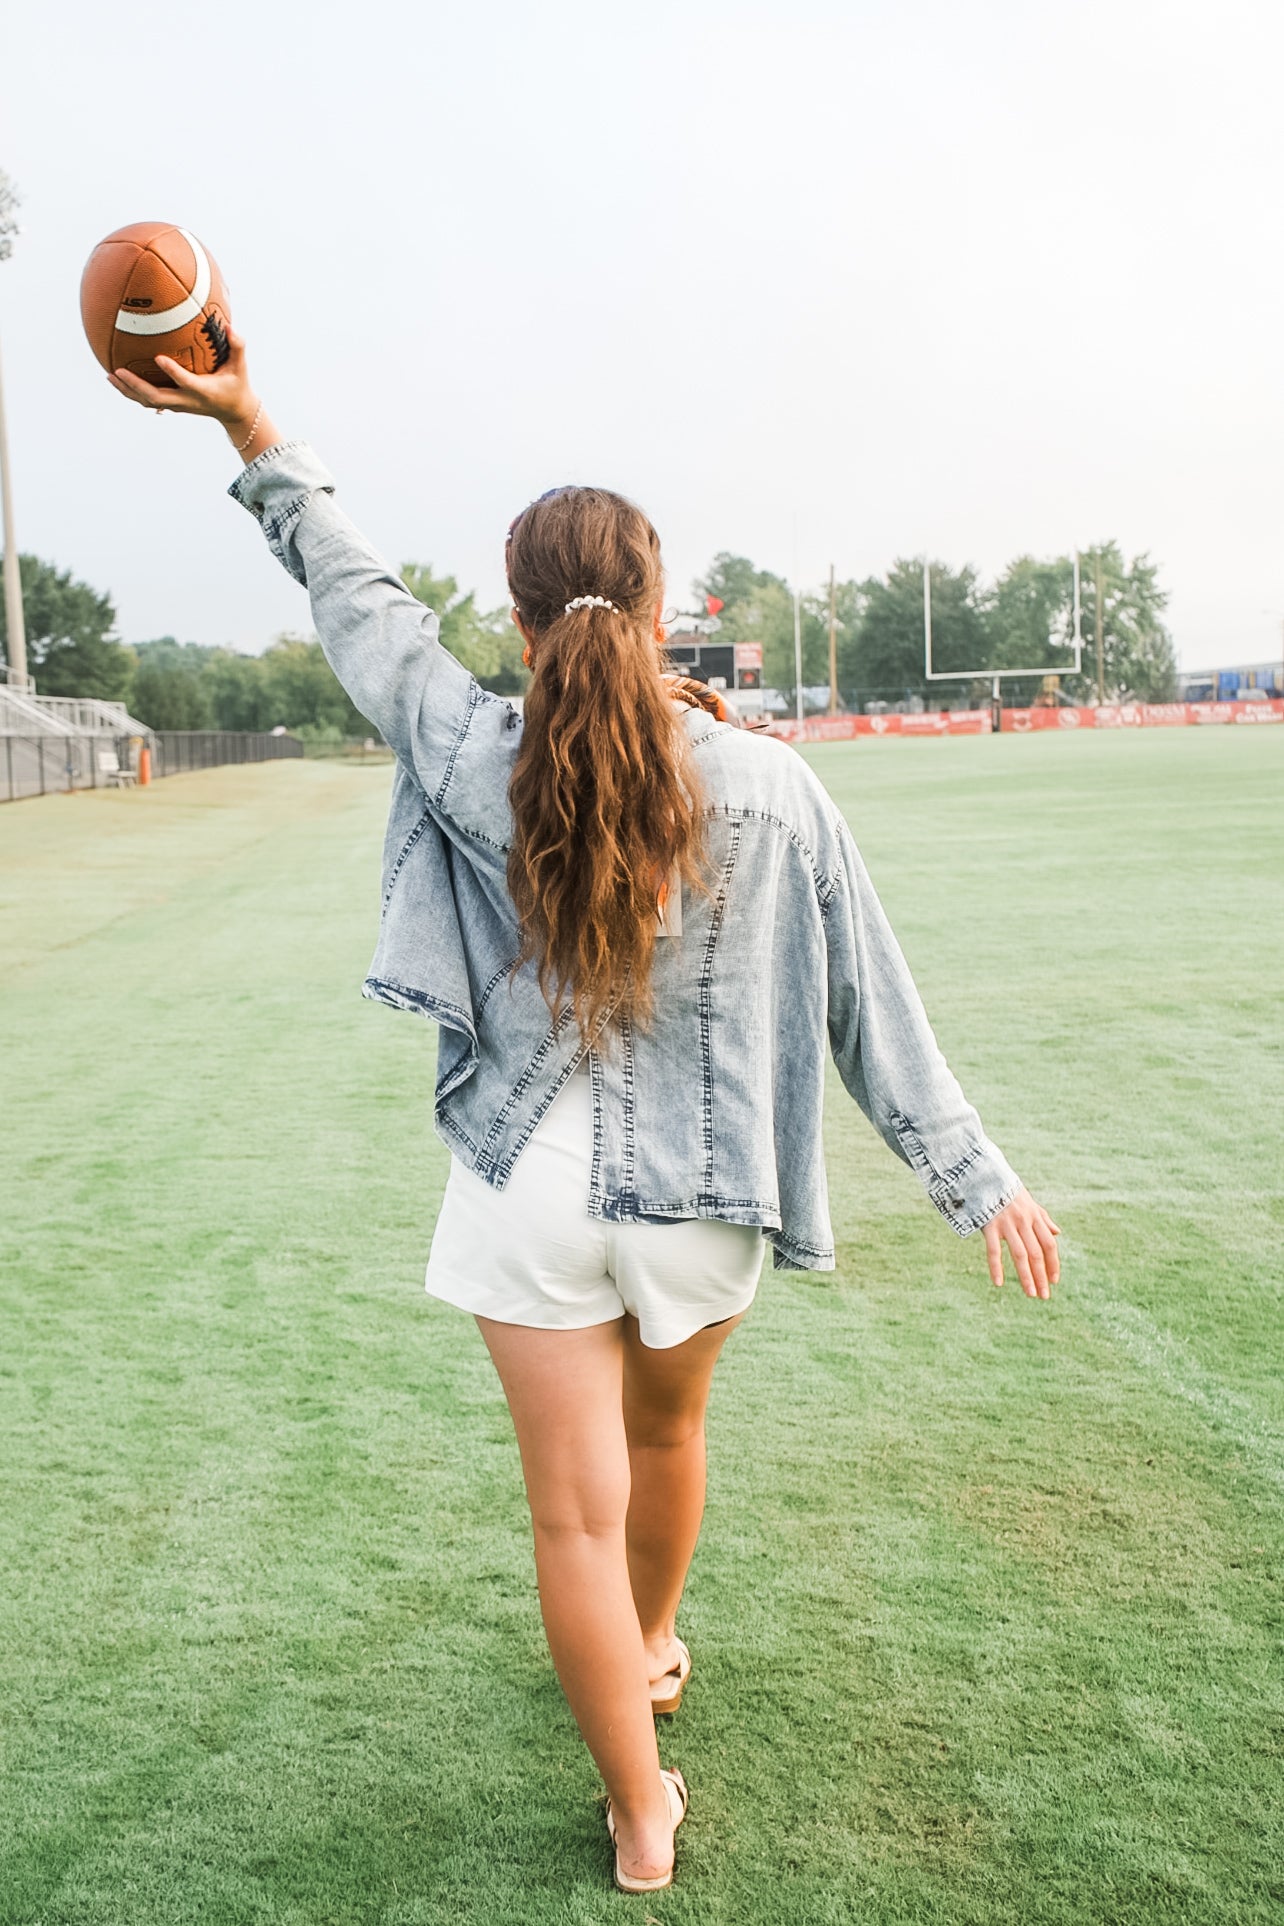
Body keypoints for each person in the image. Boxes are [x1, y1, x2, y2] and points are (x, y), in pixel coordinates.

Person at [108, 336, 1061, 1895]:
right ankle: (659, 1637)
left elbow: (359, 603)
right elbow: (867, 1006)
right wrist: (978, 1180)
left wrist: (251, 420)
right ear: (667, 608)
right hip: (705, 1208)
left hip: (526, 1191)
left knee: (569, 1520)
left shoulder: (477, 746)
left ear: (520, 619)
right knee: (669, 1429)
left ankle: (639, 1818)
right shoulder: (771, 783)